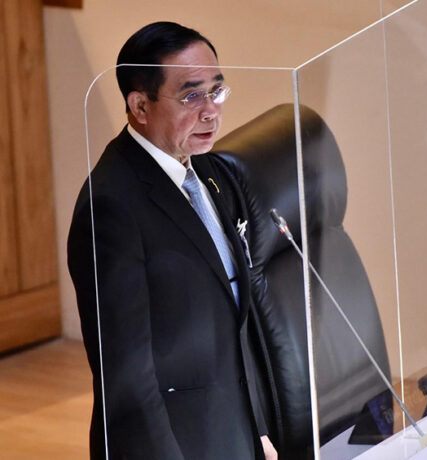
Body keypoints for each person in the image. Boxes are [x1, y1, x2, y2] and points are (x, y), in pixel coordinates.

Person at [68, 21, 277, 460]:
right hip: (172, 444)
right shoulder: (110, 206)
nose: (211, 111)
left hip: (233, 431)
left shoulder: (211, 173)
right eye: (191, 96)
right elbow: (126, 375)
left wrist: (258, 429)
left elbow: (235, 321)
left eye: (216, 91)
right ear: (140, 106)